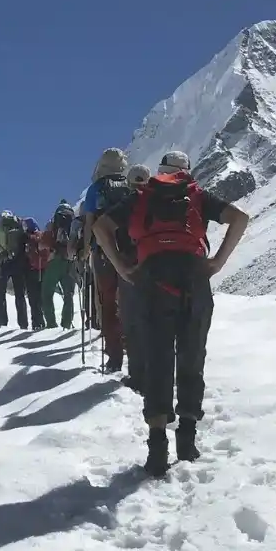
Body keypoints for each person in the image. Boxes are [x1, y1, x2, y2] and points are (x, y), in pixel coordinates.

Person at [93, 150, 249, 477]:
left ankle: (157, 448)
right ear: (188, 172)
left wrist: (122, 267)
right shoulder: (197, 196)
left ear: (159, 172)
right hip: (194, 279)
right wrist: (217, 262)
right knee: (192, 356)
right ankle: (187, 441)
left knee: (158, 359)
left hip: (151, 280)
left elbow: (101, 227)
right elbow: (239, 218)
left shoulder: (141, 196)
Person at [81, 148, 132, 372]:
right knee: (130, 302)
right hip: (130, 252)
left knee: (108, 304)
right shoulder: (131, 186)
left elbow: (90, 221)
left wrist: (85, 249)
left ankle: (114, 358)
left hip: (102, 252)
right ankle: (133, 349)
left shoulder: (96, 189)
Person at [118, 164, 151, 391]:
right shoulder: (160, 201)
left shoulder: (124, 203)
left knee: (131, 320)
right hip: (155, 264)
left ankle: (137, 376)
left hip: (129, 266)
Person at [41, 200, 77, 329]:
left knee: (47, 292)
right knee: (69, 294)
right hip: (70, 260)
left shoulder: (52, 223)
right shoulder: (74, 222)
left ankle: (51, 323)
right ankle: (66, 323)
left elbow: (43, 242)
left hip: (54, 260)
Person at [0, 210, 30, 329]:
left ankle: (3, 322)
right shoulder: (18, 226)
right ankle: (23, 324)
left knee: (1, 293)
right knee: (20, 294)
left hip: (5, 262)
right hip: (19, 262)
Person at [22, 217, 48, 330]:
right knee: (41, 298)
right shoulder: (41, 235)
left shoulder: (27, 237)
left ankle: (36, 323)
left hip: (31, 270)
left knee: (33, 298)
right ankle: (44, 321)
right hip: (43, 270)